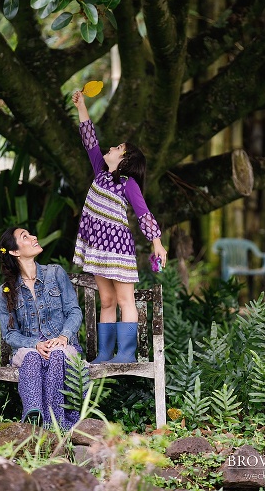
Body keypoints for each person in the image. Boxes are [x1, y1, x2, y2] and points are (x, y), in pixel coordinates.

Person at [71, 90, 167, 364]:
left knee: (125, 299)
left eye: (117, 148)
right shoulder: (100, 171)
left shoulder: (128, 184)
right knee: (107, 301)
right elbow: (89, 138)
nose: (110, 148)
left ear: (124, 160)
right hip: (98, 249)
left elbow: (143, 213)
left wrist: (157, 242)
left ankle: (125, 354)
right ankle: (104, 354)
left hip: (119, 249)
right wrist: (82, 106)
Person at [0, 226, 83, 429]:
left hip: (62, 346)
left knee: (57, 356)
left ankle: (57, 420)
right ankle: (34, 415)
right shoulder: (6, 291)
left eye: (30, 234)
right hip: (30, 349)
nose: (34, 237)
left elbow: (74, 311)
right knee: (33, 357)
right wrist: (35, 344)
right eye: (25, 237)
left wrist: (64, 336)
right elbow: (10, 334)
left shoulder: (55, 273)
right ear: (15, 252)